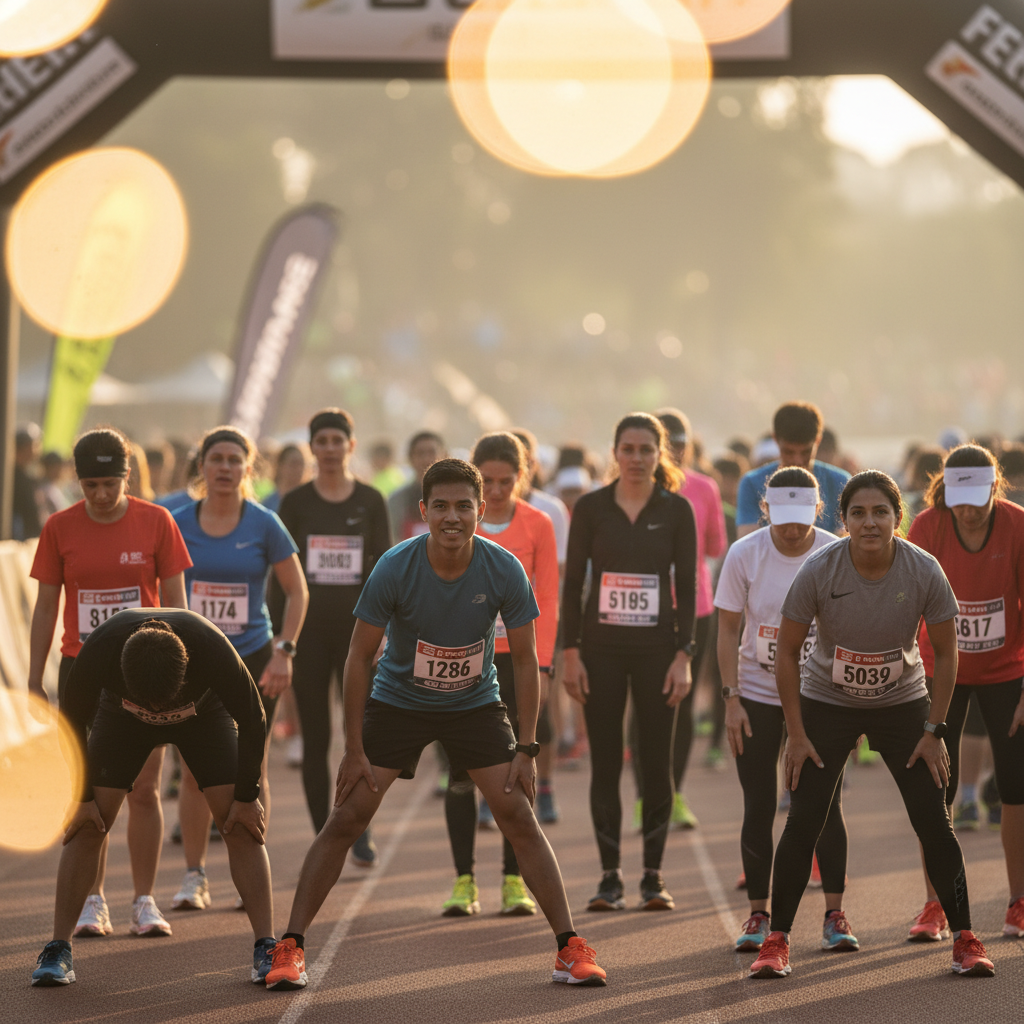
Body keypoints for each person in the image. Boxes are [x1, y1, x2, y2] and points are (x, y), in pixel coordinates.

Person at [264, 458, 606, 990]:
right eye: (441, 506)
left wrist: (528, 746)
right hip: (400, 701)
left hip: (473, 703)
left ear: (482, 510)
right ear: (423, 511)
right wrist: (353, 748)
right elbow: (358, 658)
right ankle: (290, 947)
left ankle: (569, 947)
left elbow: (525, 660)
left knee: (517, 812)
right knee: (348, 817)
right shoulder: (395, 567)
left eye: (464, 506)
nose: (453, 517)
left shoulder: (503, 568)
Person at [749, 471, 995, 979]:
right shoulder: (820, 569)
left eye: (880, 512)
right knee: (803, 820)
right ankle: (776, 942)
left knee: (934, 820)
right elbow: (788, 653)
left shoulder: (923, 569)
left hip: (901, 704)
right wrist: (795, 734)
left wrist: (934, 730)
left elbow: (949, 654)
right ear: (843, 521)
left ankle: (967, 938)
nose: (869, 522)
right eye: (858, 513)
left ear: (897, 519)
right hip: (827, 702)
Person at [30, 610, 277, 987]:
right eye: (151, 704)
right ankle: (57, 949)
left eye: (162, 704)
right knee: (87, 823)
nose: (158, 713)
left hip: (203, 714)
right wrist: (80, 797)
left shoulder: (212, 648)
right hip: (122, 717)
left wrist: (248, 796)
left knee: (238, 823)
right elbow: (70, 724)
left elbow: (254, 717)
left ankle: (266, 947)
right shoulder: (99, 651)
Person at [27, 428, 192, 940]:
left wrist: (180, 674)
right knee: (88, 794)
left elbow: (177, 605)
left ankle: (144, 901)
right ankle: (92, 901)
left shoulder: (157, 521)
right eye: (90, 484)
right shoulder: (59, 527)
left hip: (143, 668)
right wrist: (34, 681)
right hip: (83, 669)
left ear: (128, 476)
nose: (100, 495)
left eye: (110, 483)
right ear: (78, 481)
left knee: (144, 788)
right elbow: (47, 607)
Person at [561, 413, 697, 912]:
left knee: (655, 763)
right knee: (605, 761)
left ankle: (653, 877)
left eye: (646, 449)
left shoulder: (677, 511)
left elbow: (688, 587)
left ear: (660, 454)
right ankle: (609, 877)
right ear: (614, 453)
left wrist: (685, 655)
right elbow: (573, 583)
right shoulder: (593, 509)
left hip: (659, 652)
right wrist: (570, 652)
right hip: (600, 652)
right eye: (628, 449)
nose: (637, 458)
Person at [170, 427, 308, 912]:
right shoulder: (177, 521)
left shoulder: (265, 524)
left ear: (249, 469)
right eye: (217, 459)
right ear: (202, 466)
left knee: (254, 767)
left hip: (252, 656)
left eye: (235, 460)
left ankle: (253, 871)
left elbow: (297, 591)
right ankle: (193, 875)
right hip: (193, 658)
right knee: (192, 771)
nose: (225, 468)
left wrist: (284, 651)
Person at [715, 467, 853, 953]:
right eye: (781, 519)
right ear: (765, 510)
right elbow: (728, 630)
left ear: (817, 511)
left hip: (819, 696)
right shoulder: (744, 553)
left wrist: (850, 704)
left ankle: (835, 914)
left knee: (822, 805)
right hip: (755, 691)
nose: (792, 530)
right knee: (758, 805)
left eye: (802, 519)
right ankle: (758, 914)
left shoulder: (835, 551)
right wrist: (730, 699)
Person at [906, 444, 1024, 941]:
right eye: (960, 497)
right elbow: (905, 601)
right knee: (937, 792)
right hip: (941, 670)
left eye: (979, 496)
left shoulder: (1018, 525)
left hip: (1007, 671)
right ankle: (934, 904)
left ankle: (1018, 901)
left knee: (1017, 789)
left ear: (995, 488)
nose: (969, 508)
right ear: (946, 491)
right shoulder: (928, 526)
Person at [440, 433, 560, 918]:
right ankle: (463, 881)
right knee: (460, 774)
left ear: (522, 477)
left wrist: (545, 663)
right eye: (487, 481)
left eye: (507, 481)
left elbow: (547, 598)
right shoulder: (460, 521)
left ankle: (514, 880)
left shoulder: (538, 524)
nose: (498, 488)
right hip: (464, 658)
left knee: (515, 770)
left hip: (518, 661)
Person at [271, 409, 390, 864]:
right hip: (309, 635)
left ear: (350, 446)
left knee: (360, 737)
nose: (330, 448)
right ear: (312, 447)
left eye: (338, 440)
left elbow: (386, 570)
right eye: (321, 440)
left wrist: (386, 630)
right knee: (316, 737)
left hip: (359, 635)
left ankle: (358, 826)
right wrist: (282, 637)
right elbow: (280, 576)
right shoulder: (296, 502)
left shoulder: (371, 500)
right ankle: (324, 830)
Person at [736, 402, 850, 538]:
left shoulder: (840, 482)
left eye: (805, 452)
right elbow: (748, 542)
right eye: (789, 452)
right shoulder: (751, 483)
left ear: (817, 441)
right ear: (776, 440)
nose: (797, 460)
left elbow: (846, 540)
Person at [388, 431, 446, 541]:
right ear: (410, 458)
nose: (426, 459)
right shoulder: (397, 500)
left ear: (444, 455)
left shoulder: (457, 496)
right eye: (420, 453)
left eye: (432, 452)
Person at [262, 443, 311, 514]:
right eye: (294, 463)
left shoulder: (310, 501)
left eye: (301, 464)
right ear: (280, 466)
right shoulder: (268, 505)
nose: (299, 469)